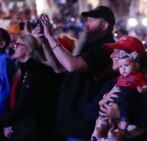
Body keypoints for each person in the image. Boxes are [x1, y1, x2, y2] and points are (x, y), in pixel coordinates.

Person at [37, 6, 116, 141]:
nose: (86, 23)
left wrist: (50, 36)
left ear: (104, 25)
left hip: (84, 123)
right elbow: (59, 68)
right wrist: (45, 42)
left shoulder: (105, 47)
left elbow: (72, 65)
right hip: (72, 119)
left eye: (91, 20)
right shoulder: (90, 45)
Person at [86, 36, 147, 141]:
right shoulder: (113, 83)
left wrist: (122, 114)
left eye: (117, 52)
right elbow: (88, 113)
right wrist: (102, 102)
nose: (111, 56)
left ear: (134, 59)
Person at [0, 34, 58, 141]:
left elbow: (25, 103)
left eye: (18, 45)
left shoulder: (37, 71)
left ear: (29, 50)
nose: (14, 47)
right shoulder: (24, 69)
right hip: (23, 126)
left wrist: (2, 121)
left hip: (32, 130)